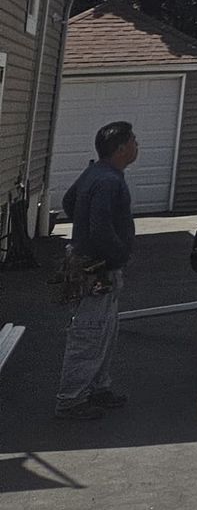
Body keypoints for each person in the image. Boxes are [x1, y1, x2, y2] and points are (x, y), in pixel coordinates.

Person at [54, 121, 139, 422]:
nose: (137, 146)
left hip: (95, 266)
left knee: (105, 332)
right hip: (97, 270)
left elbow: (69, 201)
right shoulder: (107, 181)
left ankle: (97, 387)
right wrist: (120, 255)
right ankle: (72, 399)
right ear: (120, 148)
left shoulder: (97, 172)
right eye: (133, 141)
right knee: (89, 334)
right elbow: (100, 228)